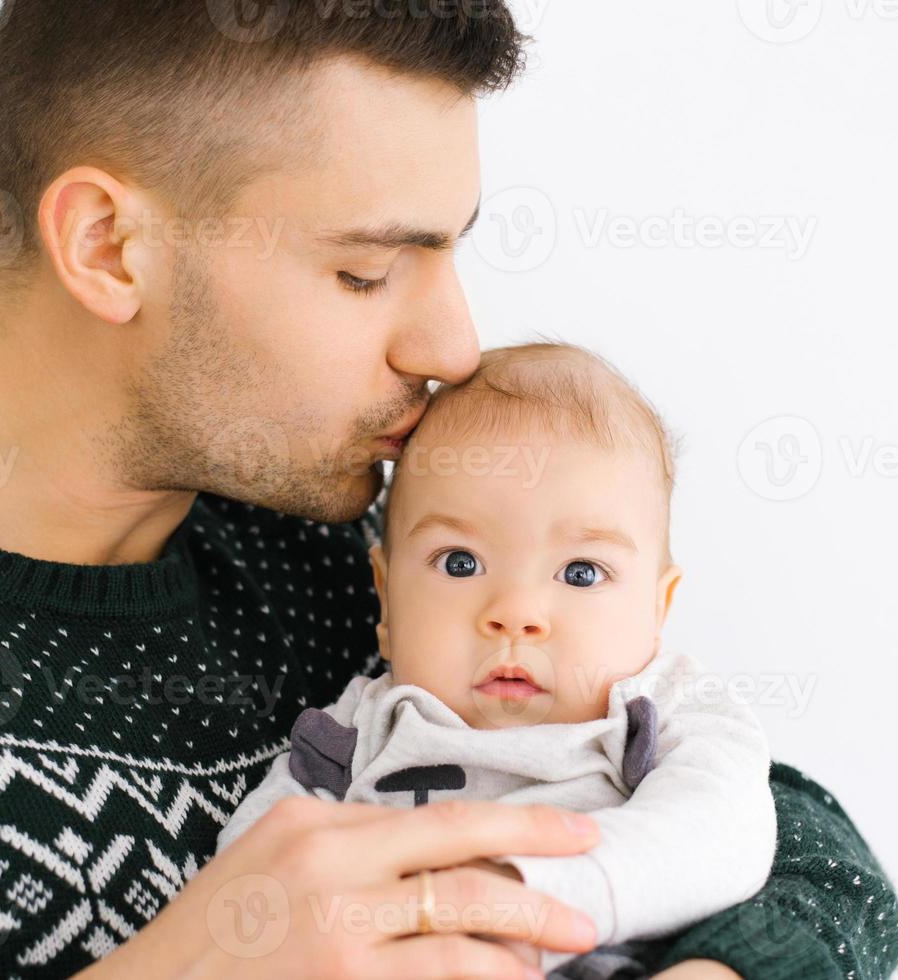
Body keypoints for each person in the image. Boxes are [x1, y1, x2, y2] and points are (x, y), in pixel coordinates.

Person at [0, 2, 898, 977]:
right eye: (366, 270)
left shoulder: (350, 553)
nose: (454, 345)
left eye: (451, 252)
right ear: (109, 246)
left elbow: (811, 852)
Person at [217, 343, 778, 978]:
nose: (515, 614)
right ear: (386, 596)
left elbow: (723, 828)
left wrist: (530, 891)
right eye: (460, 563)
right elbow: (258, 866)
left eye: (581, 572)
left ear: (657, 609)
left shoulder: (665, 707)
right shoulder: (355, 729)